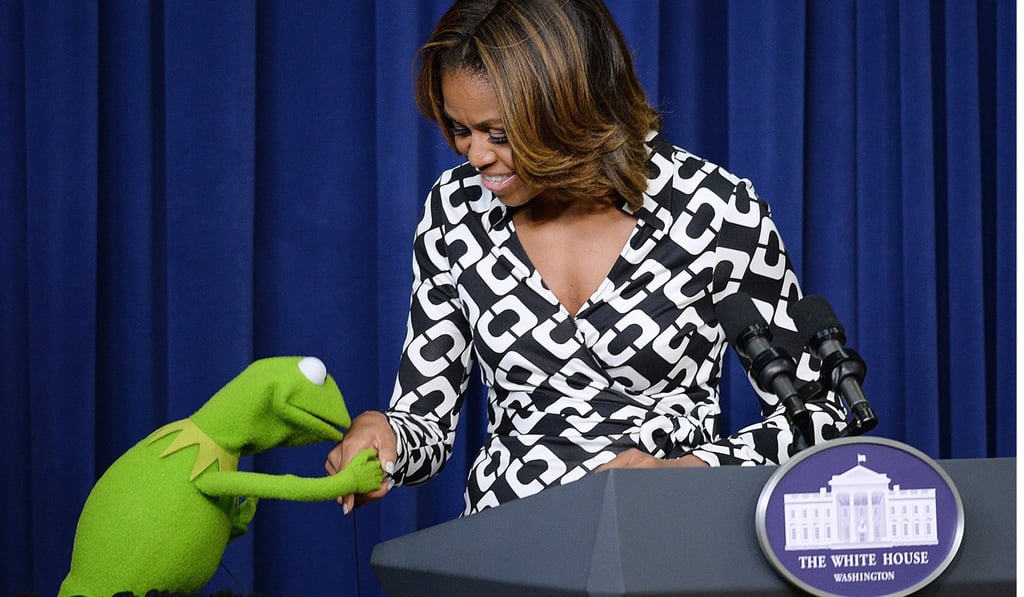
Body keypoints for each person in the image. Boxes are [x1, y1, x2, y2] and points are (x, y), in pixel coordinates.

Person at [325, 0, 848, 517]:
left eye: (500, 134)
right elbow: (428, 423)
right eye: (461, 130)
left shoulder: (716, 209)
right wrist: (386, 435)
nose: (476, 156)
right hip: (501, 552)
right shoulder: (456, 207)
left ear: (572, 106)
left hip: (666, 543)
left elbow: (819, 416)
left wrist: (690, 471)